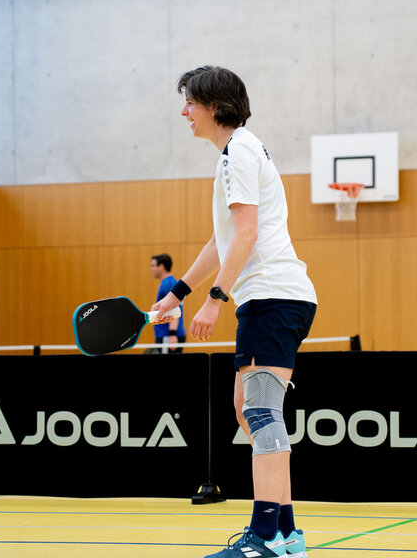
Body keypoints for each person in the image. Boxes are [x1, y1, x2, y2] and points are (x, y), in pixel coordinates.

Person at [152, 65, 317, 558]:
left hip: (271, 297)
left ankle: (265, 537)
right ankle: (286, 534)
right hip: (271, 298)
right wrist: (178, 293)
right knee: (247, 411)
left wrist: (214, 300)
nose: (184, 111)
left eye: (190, 102)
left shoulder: (240, 152)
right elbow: (222, 239)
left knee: (261, 412)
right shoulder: (236, 152)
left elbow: (247, 234)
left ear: (215, 106)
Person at [148, 253, 186, 353]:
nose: (151, 269)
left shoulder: (168, 284)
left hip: (168, 336)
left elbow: (174, 308)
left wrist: (172, 335)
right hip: (167, 335)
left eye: (153, 265)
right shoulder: (169, 282)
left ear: (161, 266)